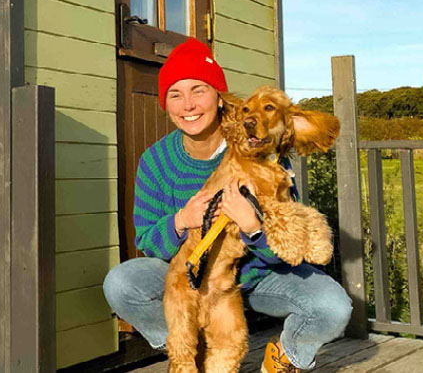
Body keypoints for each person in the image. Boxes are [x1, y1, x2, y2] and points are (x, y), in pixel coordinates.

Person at [103, 38, 351, 372]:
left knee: (332, 305)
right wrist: (181, 220)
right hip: (193, 273)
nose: (188, 105)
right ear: (166, 105)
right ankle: (193, 348)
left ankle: (286, 356)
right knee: (121, 283)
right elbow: (147, 241)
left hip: (260, 276)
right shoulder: (155, 161)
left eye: (199, 91)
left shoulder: (259, 150)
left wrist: (253, 228)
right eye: (175, 95)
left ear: (220, 98)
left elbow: (286, 247)